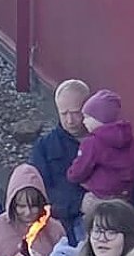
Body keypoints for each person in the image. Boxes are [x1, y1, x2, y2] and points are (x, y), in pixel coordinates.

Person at [30, 79, 93, 242]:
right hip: (66, 227)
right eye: (64, 114)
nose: (70, 120)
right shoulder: (45, 148)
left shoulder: (109, 141)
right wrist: (79, 203)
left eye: (75, 112)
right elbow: (39, 193)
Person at [68, 88, 134, 206]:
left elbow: (81, 168)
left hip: (100, 195)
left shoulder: (92, 142)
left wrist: (72, 175)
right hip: (126, 193)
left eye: (87, 117)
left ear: (99, 119)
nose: (84, 121)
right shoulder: (128, 137)